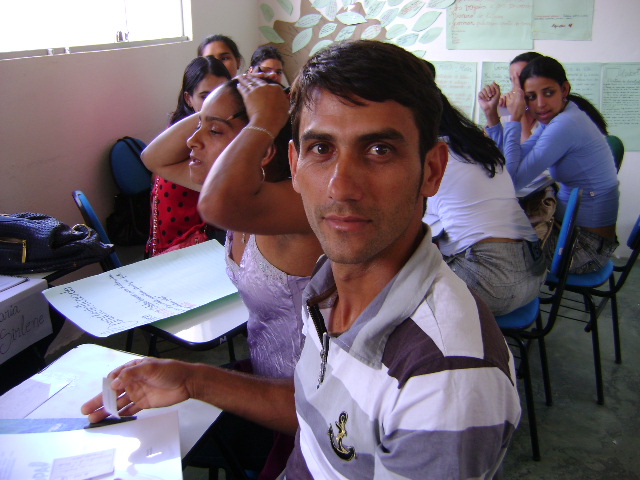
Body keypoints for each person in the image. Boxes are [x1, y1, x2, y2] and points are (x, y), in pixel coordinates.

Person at [83, 40, 521, 479]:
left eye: (379, 150)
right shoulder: (326, 288)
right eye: (321, 149)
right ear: (295, 165)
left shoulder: (445, 376)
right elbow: (318, 408)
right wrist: (192, 379)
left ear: (432, 170)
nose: (341, 187)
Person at [141, 75, 322, 478]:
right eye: (198, 126)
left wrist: (263, 119)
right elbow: (154, 158)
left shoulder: (295, 206)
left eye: (215, 132)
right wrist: (218, 108)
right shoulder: (245, 199)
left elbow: (218, 202)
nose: (193, 141)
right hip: (263, 377)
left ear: (263, 148)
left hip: (306, 401)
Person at [479, 55, 619, 274]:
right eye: (531, 97)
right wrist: (492, 117)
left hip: (585, 248)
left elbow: (511, 182)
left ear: (564, 89)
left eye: (548, 93)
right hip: (572, 233)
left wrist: (515, 119)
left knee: (486, 247)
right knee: (495, 232)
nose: (540, 104)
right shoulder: (560, 116)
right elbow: (516, 156)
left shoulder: (566, 124)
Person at [425, 87, 546, 315]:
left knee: (392, 283)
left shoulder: (431, 156)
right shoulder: (479, 147)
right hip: (534, 275)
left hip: (491, 284)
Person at [145, 56, 230, 256]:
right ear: (188, 99)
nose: (215, 103)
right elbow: (149, 157)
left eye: (222, 95)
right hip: (179, 252)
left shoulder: (205, 131)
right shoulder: (188, 138)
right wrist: (215, 110)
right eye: (205, 97)